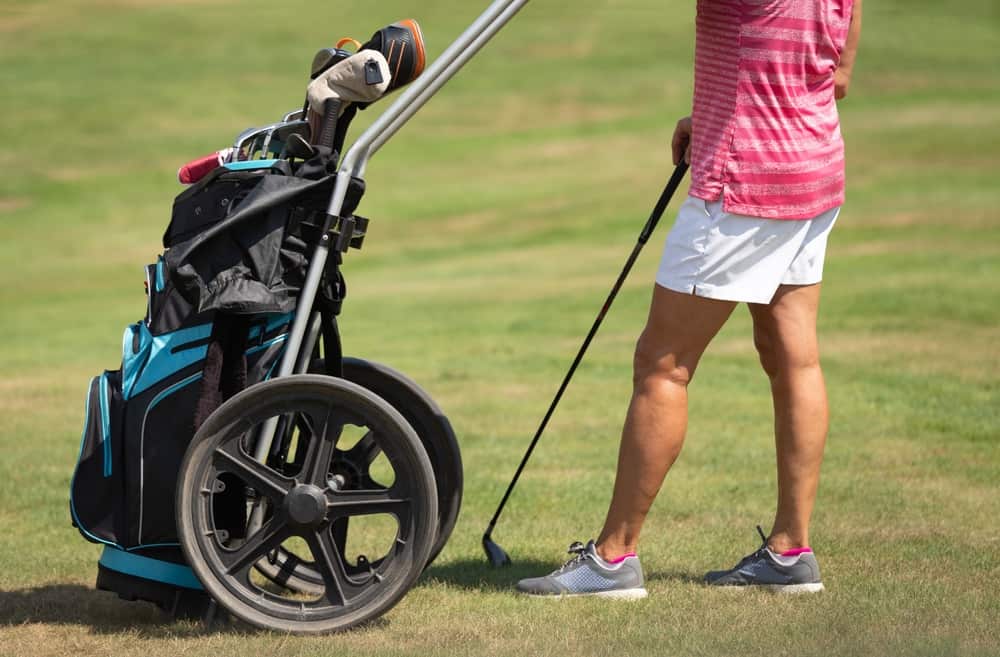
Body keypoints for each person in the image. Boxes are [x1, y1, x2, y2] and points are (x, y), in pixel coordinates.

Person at [517, 0, 862, 598]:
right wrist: (718, 112)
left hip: (743, 183)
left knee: (663, 364)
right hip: (811, 169)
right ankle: (790, 552)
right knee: (794, 361)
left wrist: (733, 120)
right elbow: (836, 76)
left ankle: (613, 558)